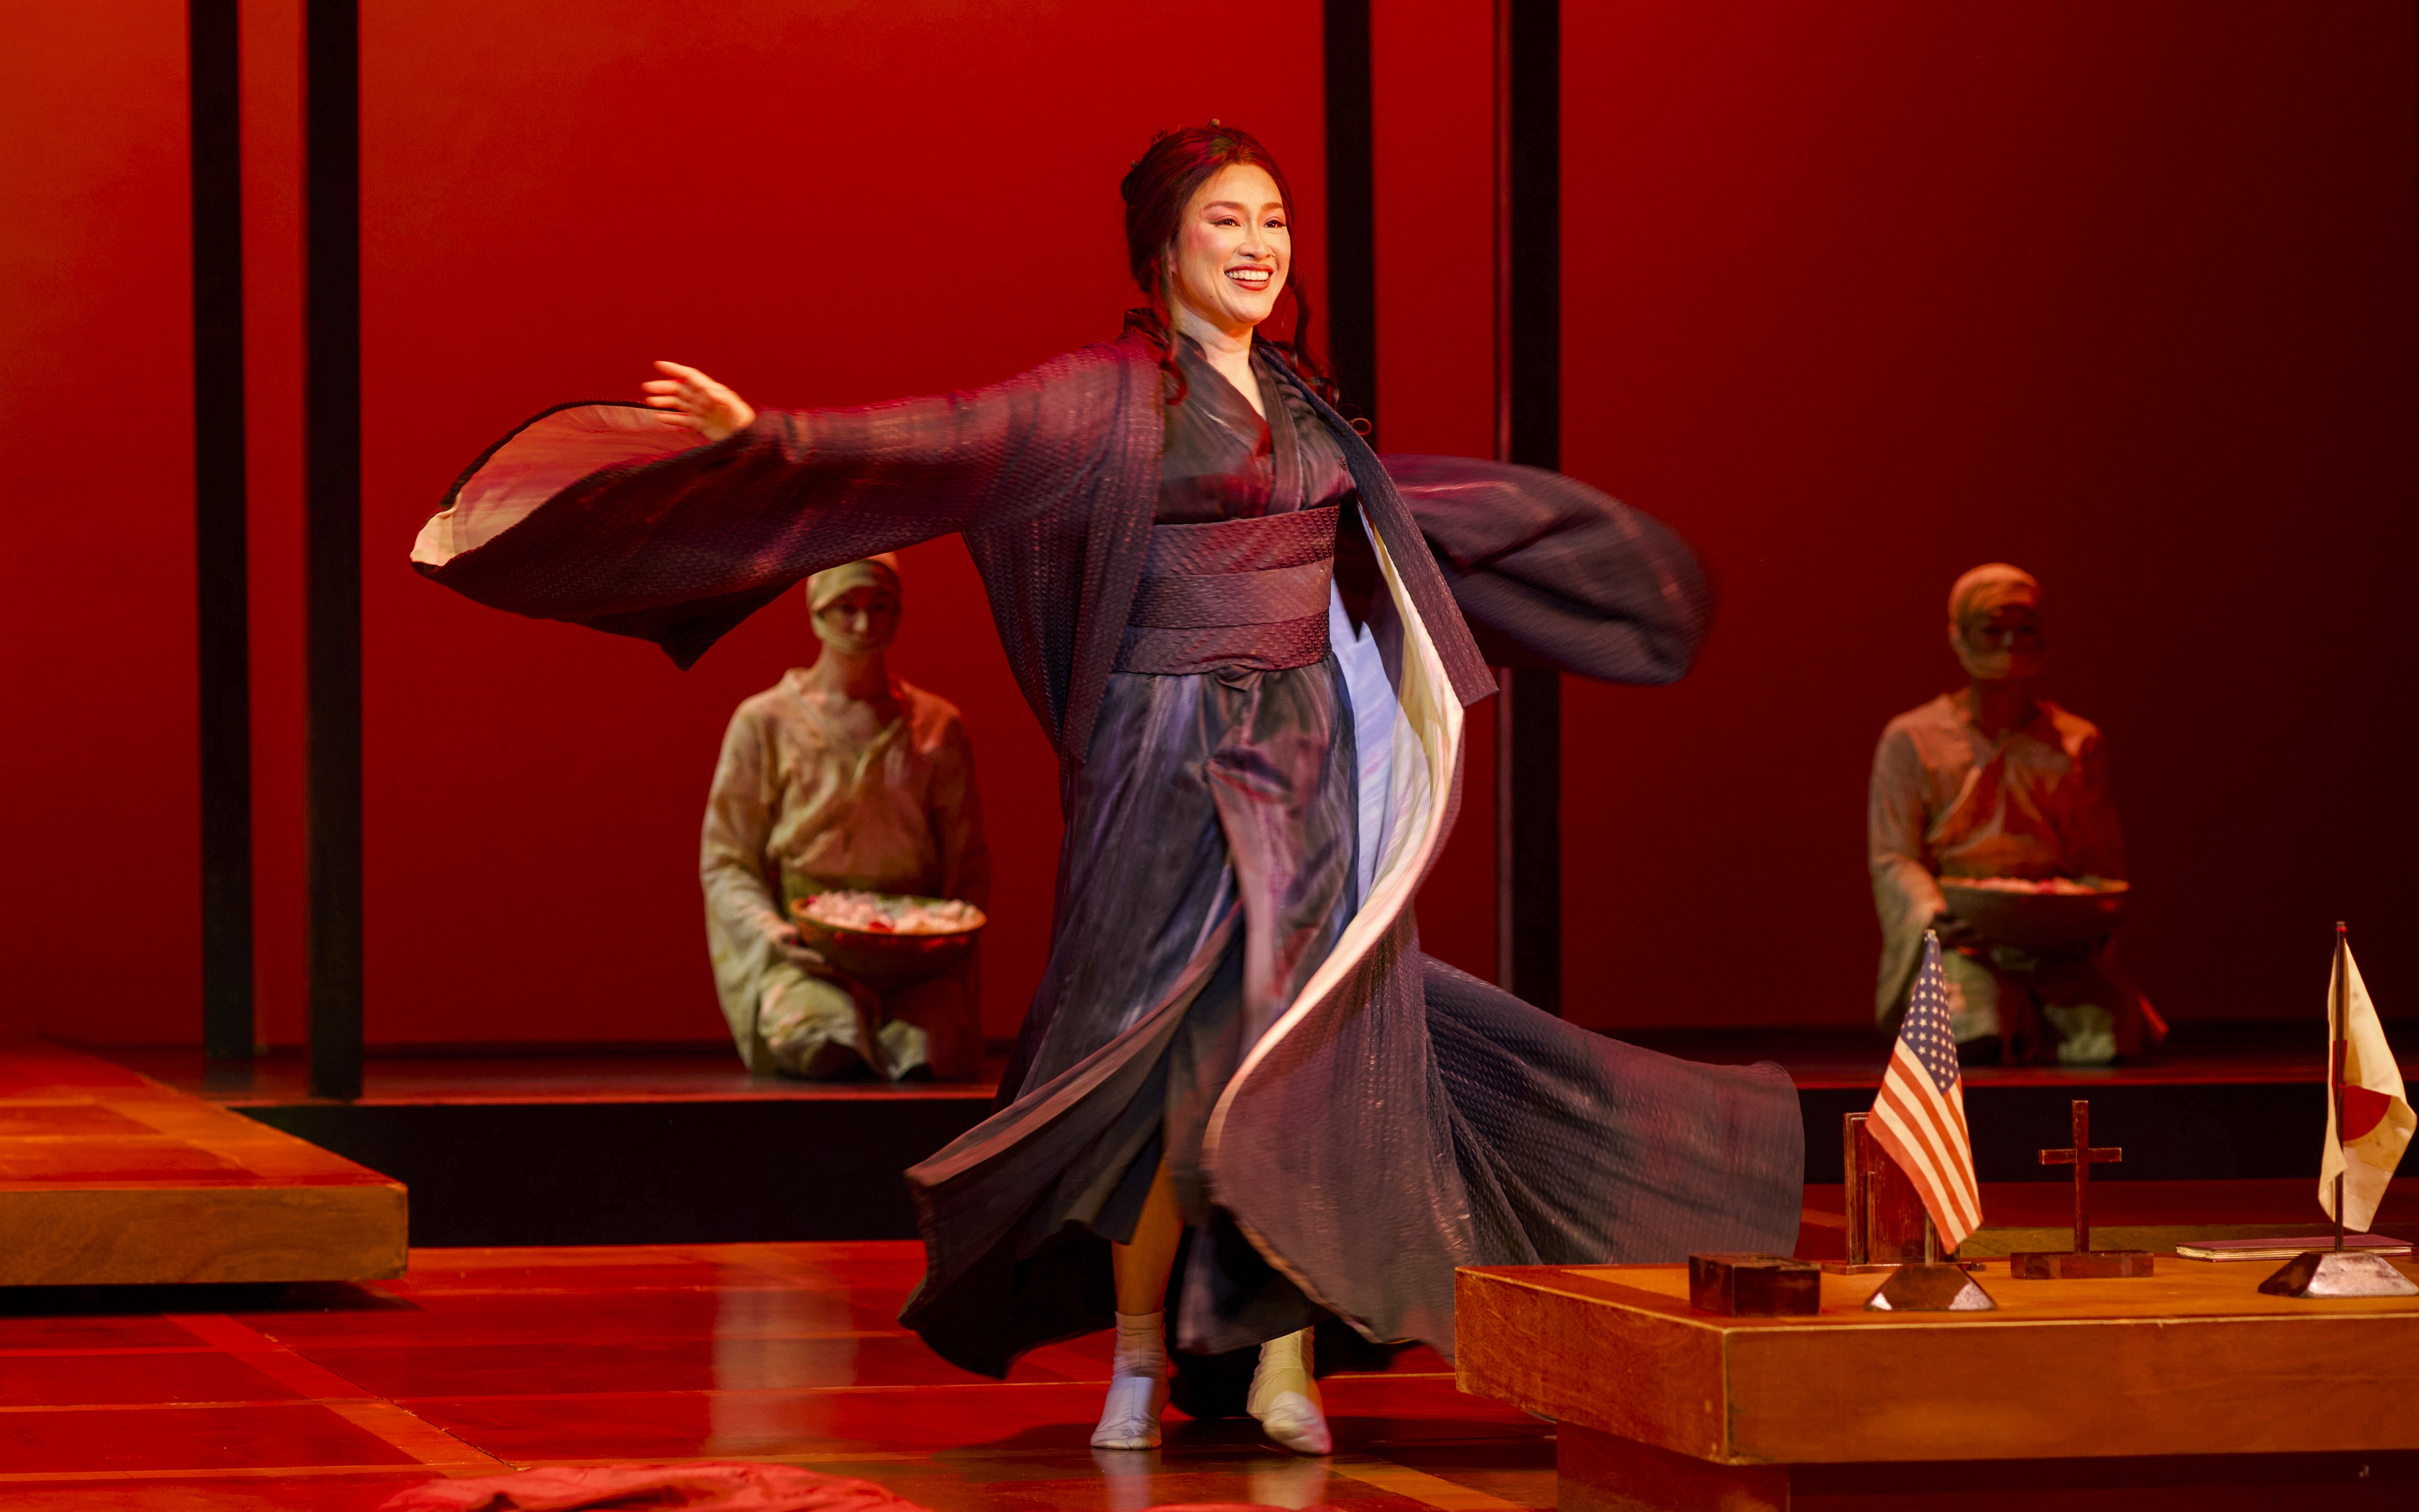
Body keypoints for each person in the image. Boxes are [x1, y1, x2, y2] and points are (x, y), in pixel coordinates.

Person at [412, 124, 1803, 1457]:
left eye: (1272, 222)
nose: (1256, 245)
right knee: (1154, 1071)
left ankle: (1278, 1359)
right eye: (1225, 222)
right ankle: (1140, 1348)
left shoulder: (1309, 406)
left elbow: (1388, 560)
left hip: (1300, 763)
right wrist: (764, 432)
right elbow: (936, 440)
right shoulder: (1101, 399)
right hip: (1163, 755)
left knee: (1307, 1057)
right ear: (1162, 249)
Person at [701, 555, 989, 1082]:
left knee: (931, 1053)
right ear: (815, 612)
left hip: (913, 960)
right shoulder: (765, 722)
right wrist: (772, 932)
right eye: (845, 608)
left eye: (879, 607)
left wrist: (944, 938)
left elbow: (966, 862)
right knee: (819, 1040)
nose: (863, 625)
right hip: (809, 954)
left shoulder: (936, 725)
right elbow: (726, 860)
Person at [1869, 563, 2165, 1064]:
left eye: (2024, 629)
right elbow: (1894, 855)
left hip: (2051, 938)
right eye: (1992, 629)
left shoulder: (2075, 741)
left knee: (2109, 1034)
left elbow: (2098, 862)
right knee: (1968, 1028)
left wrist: (2083, 918)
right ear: (1959, 635)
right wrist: (1934, 915)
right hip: (1964, 933)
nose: (2009, 644)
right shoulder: (1912, 738)